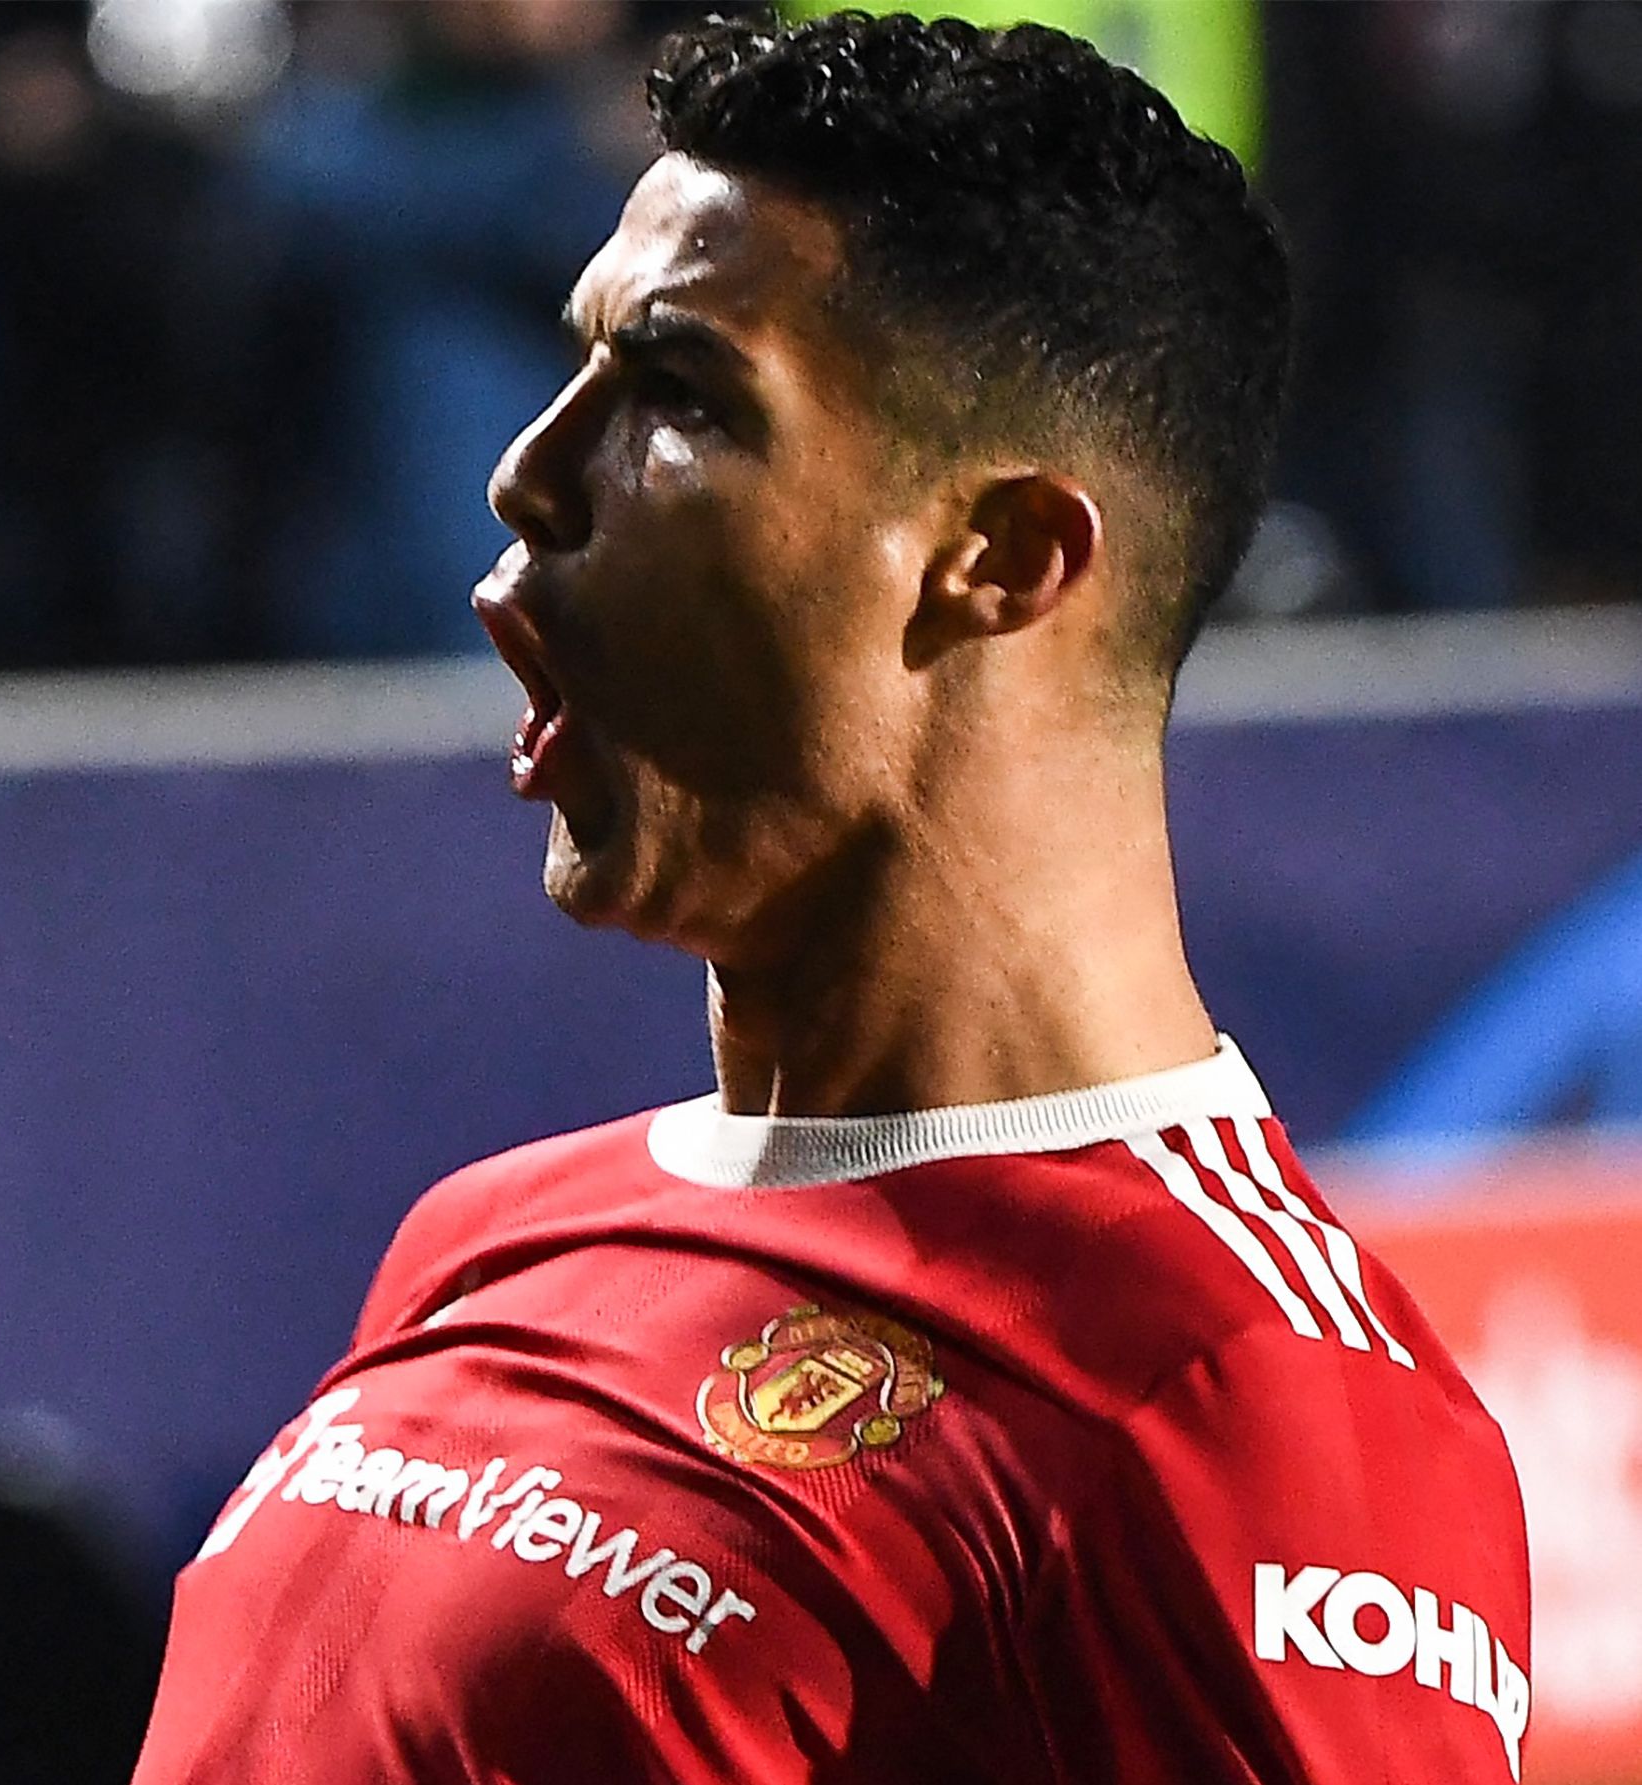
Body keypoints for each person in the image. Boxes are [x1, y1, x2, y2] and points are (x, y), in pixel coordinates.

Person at [131, 12, 1533, 1784]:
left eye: (677, 396)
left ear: (1001, 558)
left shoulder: (1232, 1393)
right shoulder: (486, 1233)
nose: (530, 472)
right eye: (575, 371)